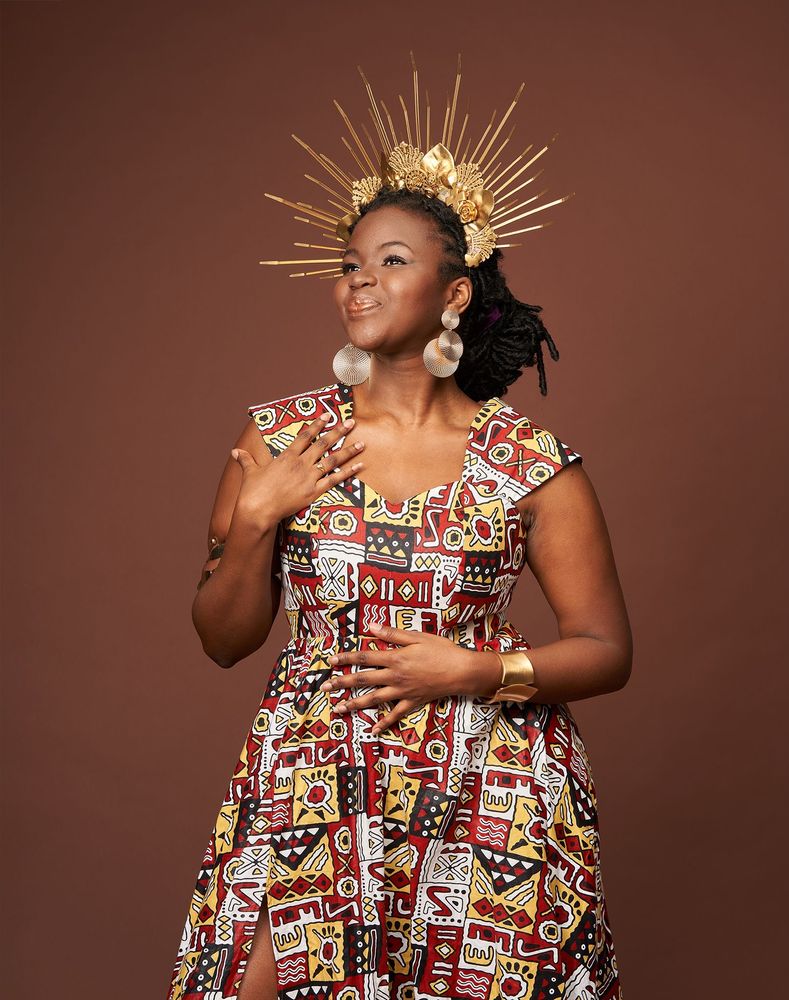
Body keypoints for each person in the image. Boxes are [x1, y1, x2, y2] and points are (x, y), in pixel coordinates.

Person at [166, 55, 631, 1000]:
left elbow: (606, 649)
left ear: (454, 294)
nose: (358, 283)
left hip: (490, 789)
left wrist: (475, 671)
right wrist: (255, 519)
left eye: (389, 262)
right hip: (315, 776)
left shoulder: (530, 461)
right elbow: (222, 640)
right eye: (349, 266)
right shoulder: (281, 440)